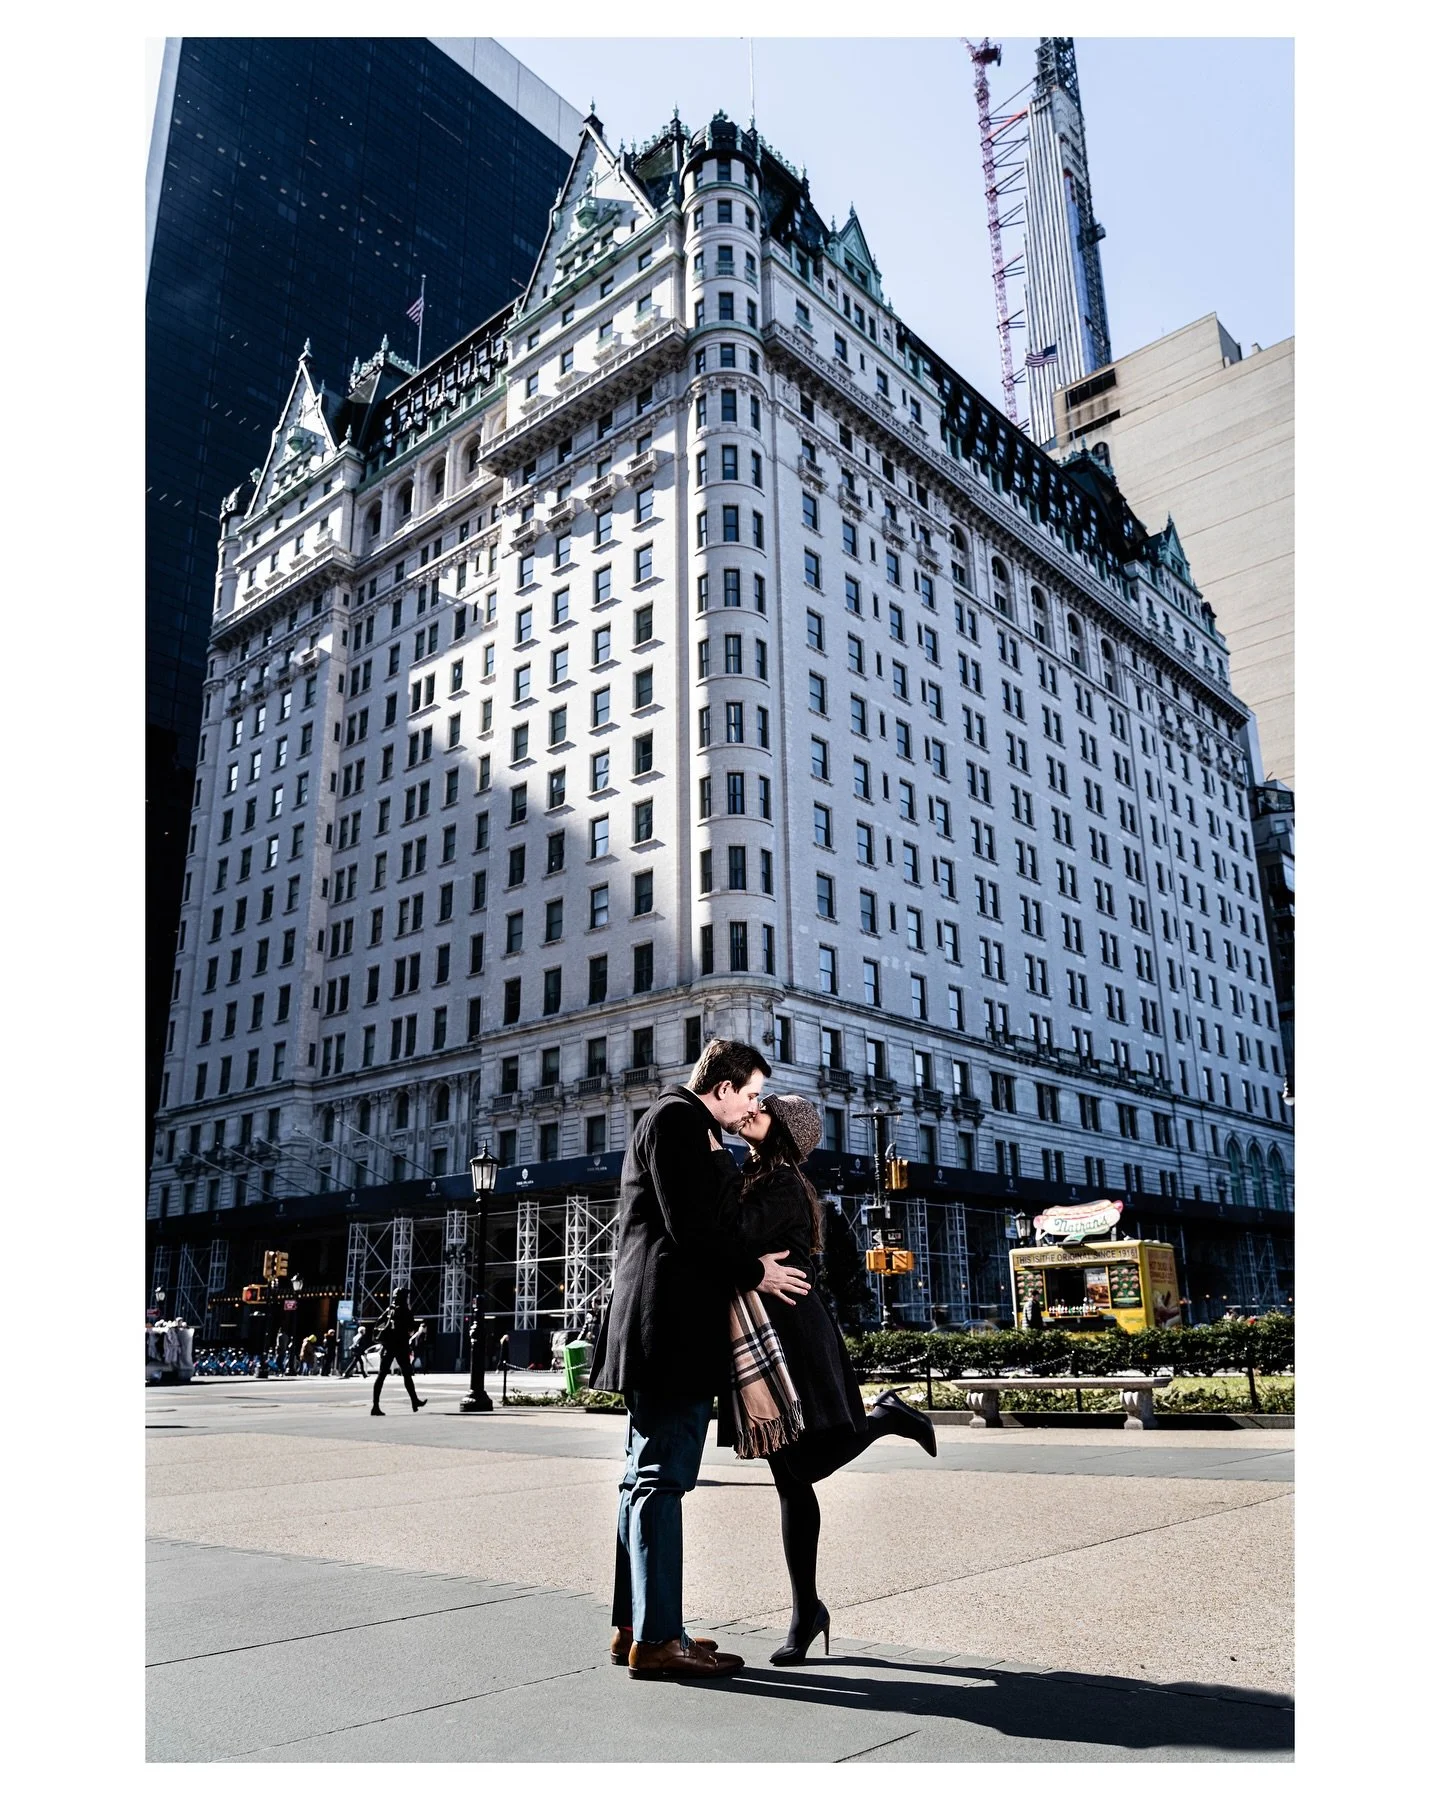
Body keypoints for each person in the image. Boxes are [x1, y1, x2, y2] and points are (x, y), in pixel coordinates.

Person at [591, 1038, 811, 1681]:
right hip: (670, 1330)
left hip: (663, 1328)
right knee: (660, 1481)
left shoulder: (680, 1122)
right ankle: (659, 1639)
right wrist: (757, 1272)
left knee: (642, 1481)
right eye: (749, 1094)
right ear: (722, 1087)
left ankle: (639, 1627)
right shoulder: (678, 1121)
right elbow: (692, 1227)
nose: (752, 1107)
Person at [725, 1094, 937, 1664]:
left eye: (764, 1111)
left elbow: (733, 1235)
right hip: (767, 1331)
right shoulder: (758, 1174)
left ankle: (886, 1417)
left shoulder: (782, 1184)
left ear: (783, 1132)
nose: (751, 1112)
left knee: (802, 1467)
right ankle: (806, 1612)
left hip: (794, 1333)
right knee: (790, 1481)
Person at [372, 1287, 427, 1415]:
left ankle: (375, 1406)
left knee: (381, 1375)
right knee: (407, 1375)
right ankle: (414, 1401)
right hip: (401, 1346)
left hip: (388, 1346)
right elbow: (411, 1327)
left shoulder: (389, 1309)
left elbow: (378, 1322)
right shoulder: (405, 1310)